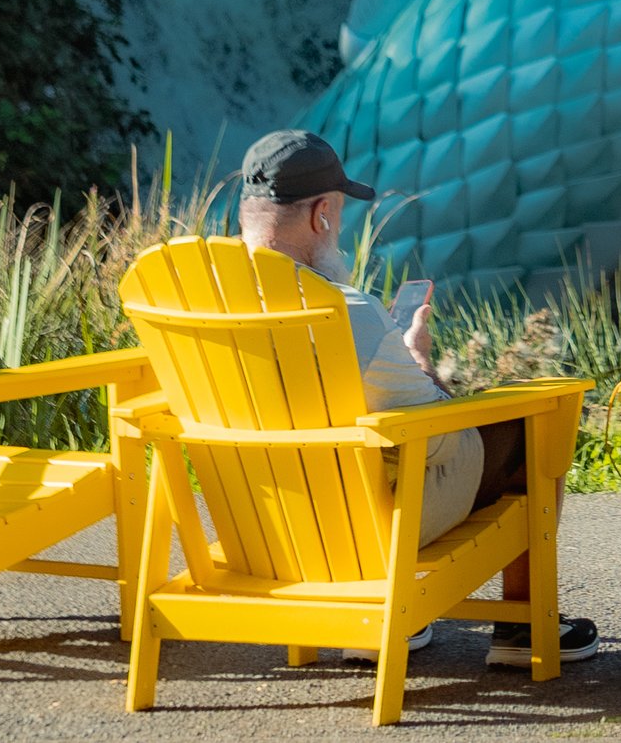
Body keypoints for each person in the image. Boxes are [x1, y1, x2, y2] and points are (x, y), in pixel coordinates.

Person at [235, 129, 596, 667]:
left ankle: (391, 618)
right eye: (338, 213)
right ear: (321, 215)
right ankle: (522, 630)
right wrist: (416, 359)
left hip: (258, 519)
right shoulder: (345, 311)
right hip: (360, 525)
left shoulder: (192, 302)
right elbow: (440, 435)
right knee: (532, 422)